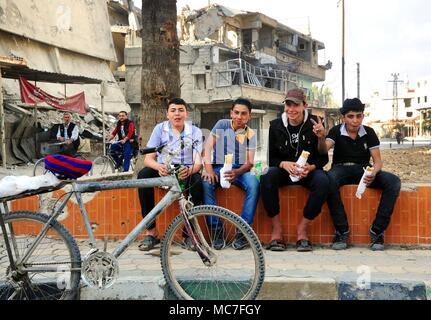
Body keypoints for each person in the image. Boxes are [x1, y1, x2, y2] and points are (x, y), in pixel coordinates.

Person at [313, 98, 401, 251]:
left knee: (393, 182)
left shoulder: (369, 132)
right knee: (328, 180)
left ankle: (377, 231)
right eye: (351, 116)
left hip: (363, 170)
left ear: (362, 116)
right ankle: (342, 231)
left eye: (358, 116)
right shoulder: (336, 131)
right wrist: (321, 137)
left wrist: (374, 172)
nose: (355, 120)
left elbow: (378, 161)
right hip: (340, 169)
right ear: (343, 117)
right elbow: (322, 150)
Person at [260, 88, 329, 252]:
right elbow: (272, 159)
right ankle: (277, 231)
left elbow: (323, 158)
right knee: (267, 177)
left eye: (296, 105)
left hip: (307, 171)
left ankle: (302, 229)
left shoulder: (315, 123)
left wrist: (320, 139)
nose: (291, 109)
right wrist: (284, 164)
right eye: (288, 104)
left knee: (323, 181)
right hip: (285, 171)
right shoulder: (275, 125)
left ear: (305, 105)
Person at [137, 98, 203, 251]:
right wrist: (159, 167)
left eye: (181, 110)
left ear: (186, 113)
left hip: (185, 169)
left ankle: (189, 235)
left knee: (198, 183)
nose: (177, 114)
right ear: (167, 114)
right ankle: (151, 232)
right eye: (173, 110)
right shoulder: (159, 129)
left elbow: (198, 162)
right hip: (164, 167)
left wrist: (189, 170)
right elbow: (148, 159)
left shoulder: (195, 131)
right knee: (143, 176)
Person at [202, 98, 260, 250]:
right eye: (236, 112)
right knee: (206, 183)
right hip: (218, 167)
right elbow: (207, 148)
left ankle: (243, 230)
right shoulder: (222, 124)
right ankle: (216, 230)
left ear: (249, 116)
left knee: (254, 184)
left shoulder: (250, 134)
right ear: (231, 113)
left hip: (240, 170)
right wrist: (208, 171)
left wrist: (237, 172)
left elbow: (250, 162)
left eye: (243, 114)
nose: (239, 117)